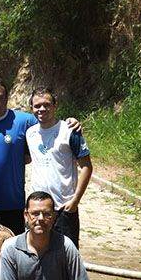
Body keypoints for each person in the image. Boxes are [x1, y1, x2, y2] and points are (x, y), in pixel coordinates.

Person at [0, 78, 80, 235]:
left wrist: (70, 122)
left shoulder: (25, 121)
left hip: (12, 204)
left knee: (13, 247)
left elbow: (50, 122)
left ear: (7, 98)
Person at [26, 87, 93, 248]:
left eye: (47, 104)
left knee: (66, 255)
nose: (42, 109)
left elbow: (86, 166)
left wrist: (75, 200)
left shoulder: (70, 131)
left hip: (64, 207)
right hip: (38, 207)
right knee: (37, 253)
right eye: (37, 106)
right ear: (31, 108)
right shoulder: (30, 133)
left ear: (55, 106)